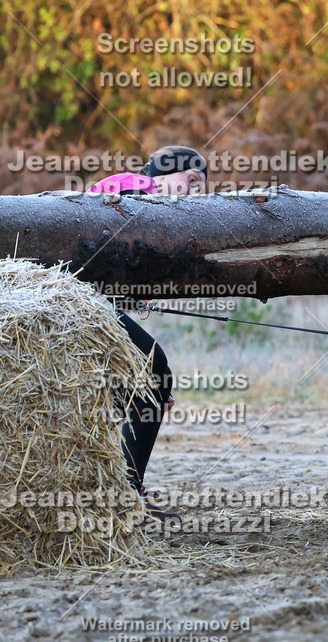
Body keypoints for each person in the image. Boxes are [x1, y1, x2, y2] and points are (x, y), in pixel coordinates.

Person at [86, 146, 208, 520]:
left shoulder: (147, 200)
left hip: (91, 303)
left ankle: (124, 490)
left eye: (201, 188)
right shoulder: (136, 189)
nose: (196, 192)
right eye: (191, 181)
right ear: (162, 175)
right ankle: (125, 491)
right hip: (79, 303)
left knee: (154, 382)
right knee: (156, 368)